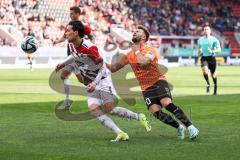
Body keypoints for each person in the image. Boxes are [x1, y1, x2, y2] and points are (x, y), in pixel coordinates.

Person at [55, 21, 151, 142]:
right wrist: (62, 63)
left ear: (76, 32)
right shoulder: (71, 45)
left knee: (109, 109)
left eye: (68, 30)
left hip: (102, 80)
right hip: (90, 82)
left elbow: (102, 67)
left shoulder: (90, 48)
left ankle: (138, 117)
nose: (65, 33)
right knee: (94, 110)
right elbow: (74, 56)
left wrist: (95, 83)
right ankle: (120, 133)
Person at [106, 25, 199, 140]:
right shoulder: (129, 55)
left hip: (158, 81)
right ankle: (178, 127)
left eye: (138, 31)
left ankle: (190, 127)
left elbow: (144, 63)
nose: (134, 32)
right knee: (156, 112)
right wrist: (100, 61)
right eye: (134, 31)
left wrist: (136, 51)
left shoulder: (150, 50)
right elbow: (114, 68)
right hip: (145, 88)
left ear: (144, 37)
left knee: (166, 103)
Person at [53, 6, 91, 109]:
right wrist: (57, 41)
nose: (71, 15)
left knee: (71, 77)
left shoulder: (84, 26)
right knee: (73, 78)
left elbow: (90, 39)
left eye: (73, 13)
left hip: (78, 56)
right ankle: (68, 100)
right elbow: (64, 37)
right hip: (71, 55)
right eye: (70, 13)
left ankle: (68, 100)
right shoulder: (68, 26)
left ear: (78, 14)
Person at [197, 25, 221, 95]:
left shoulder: (214, 39)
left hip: (211, 58)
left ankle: (215, 86)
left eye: (207, 29)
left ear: (210, 31)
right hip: (204, 58)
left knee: (213, 75)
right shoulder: (200, 40)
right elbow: (199, 49)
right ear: (203, 31)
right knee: (205, 71)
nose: (206, 30)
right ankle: (208, 83)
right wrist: (199, 53)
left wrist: (212, 51)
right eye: (204, 29)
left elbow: (219, 49)